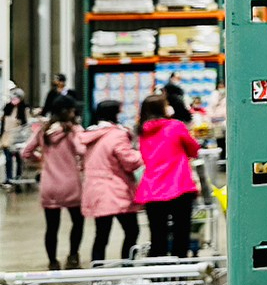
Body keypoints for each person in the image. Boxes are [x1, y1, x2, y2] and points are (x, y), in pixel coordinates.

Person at [135, 94, 200, 258]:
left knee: (157, 237)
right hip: (179, 186)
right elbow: (194, 149)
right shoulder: (175, 126)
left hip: (152, 189)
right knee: (181, 234)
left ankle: (159, 272)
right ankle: (180, 272)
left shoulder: (141, 131)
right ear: (162, 108)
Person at [22, 99, 84, 269]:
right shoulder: (73, 130)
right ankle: (72, 257)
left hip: (49, 185)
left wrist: (41, 159)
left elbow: (25, 152)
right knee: (78, 222)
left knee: (52, 227)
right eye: (72, 110)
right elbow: (82, 150)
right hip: (70, 184)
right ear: (66, 111)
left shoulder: (43, 130)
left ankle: (53, 262)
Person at [78, 101, 142, 263]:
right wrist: (141, 154)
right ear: (115, 114)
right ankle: (127, 266)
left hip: (96, 191)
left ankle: (97, 273)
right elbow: (129, 162)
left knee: (101, 235)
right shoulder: (117, 134)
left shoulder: (90, 135)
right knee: (132, 231)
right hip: (117, 190)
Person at [1, 87, 28, 188]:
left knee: (18, 157)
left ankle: (18, 176)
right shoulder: (7, 107)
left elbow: (25, 125)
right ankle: (9, 178)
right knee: (8, 158)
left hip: (17, 137)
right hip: (6, 136)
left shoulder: (23, 109)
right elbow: (4, 122)